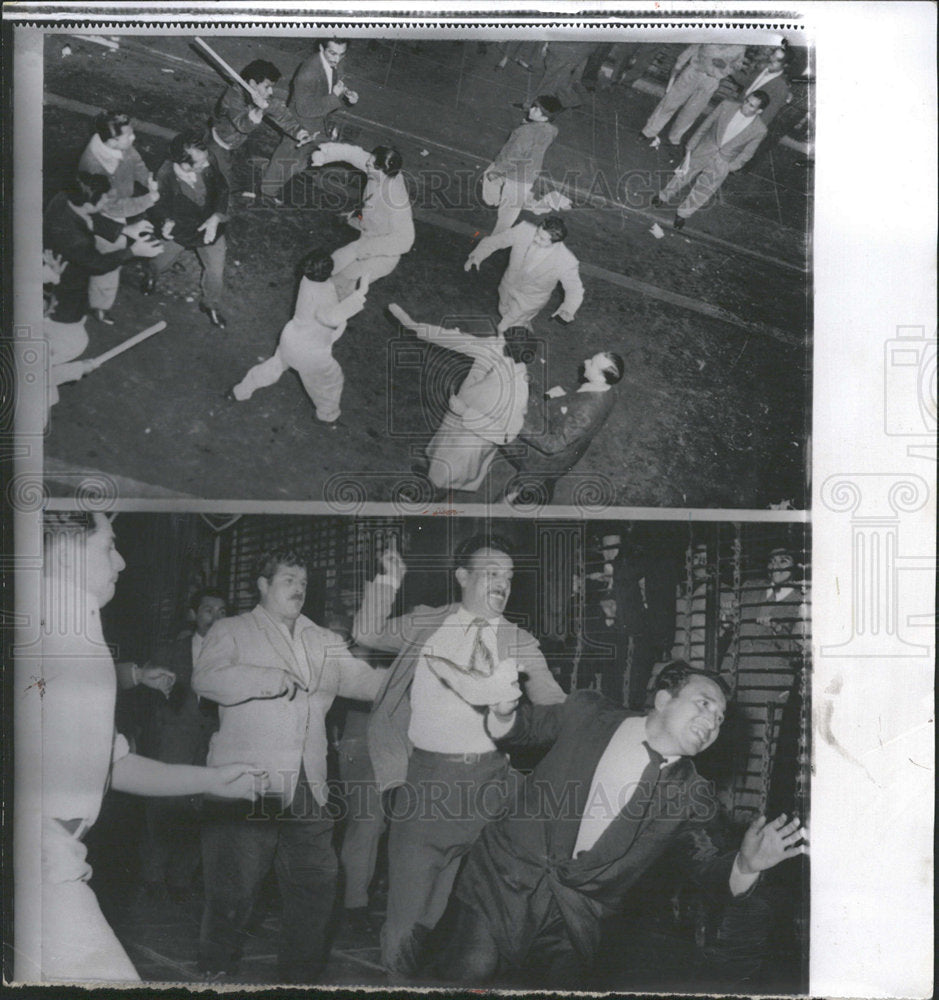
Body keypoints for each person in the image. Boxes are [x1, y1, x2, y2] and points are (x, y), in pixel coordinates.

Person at [439, 661, 807, 987]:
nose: (712, 722)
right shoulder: (589, 713)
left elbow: (706, 864)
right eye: (704, 704)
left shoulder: (693, 797)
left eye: (720, 719)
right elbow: (526, 729)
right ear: (663, 700)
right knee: (472, 968)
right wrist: (503, 711)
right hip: (505, 875)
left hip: (575, 915)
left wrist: (746, 864)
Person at [38, 512, 265, 983]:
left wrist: (213, 779)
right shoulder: (46, 636)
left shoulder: (78, 634)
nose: (121, 562)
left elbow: (112, 764)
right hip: (39, 861)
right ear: (64, 554)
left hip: (55, 856)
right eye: (108, 547)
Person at [352, 535, 566, 976]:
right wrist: (389, 579)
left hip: (491, 787)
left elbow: (553, 701)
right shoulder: (428, 623)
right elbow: (366, 633)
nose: (503, 583)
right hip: (428, 785)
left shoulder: (518, 639)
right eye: (492, 572)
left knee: (478, 919)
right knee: (412, 920)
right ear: (463, 576)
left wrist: (600, 722)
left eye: (509, 576)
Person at [191, 548, 382, 983]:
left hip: (308, 783)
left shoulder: (322, 639)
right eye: (288, 580)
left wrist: (419, 678)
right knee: (234, 886)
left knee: (317, 881)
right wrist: (266, 679)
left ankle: (299, 976)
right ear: (263, 585)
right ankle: (214, 967)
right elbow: (206, 678)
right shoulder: (232, 629)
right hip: (248, 781)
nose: (299, 589)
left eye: (304, 582)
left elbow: (363, 681)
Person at [42, 172, 162, 420]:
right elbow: (96, 263)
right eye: (105, 198)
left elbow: (90, 219)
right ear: (88, 202)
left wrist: (125, 229)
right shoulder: (70, 237)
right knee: (73, 339)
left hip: (58, 275)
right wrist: (133, 251)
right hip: (62, 286)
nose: (109, 201)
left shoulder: (66, 199)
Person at [135, 588, 228, 902]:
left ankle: (182, 878)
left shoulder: (233, 655)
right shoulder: (171, 651)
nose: (215, 618)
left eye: (222, 612)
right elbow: (148, 699)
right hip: (175, 736)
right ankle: (152, 876)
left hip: (213, 736)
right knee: (165, 802)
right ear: (193, 614)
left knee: (199, 805)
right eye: (208, 610)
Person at [389, 304, 532, 496]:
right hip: (459, 418)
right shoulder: (496, 349)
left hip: (473, 437)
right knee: (441, 454)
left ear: (509, 351)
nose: (495, 341)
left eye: (502, 340)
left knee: (450, 472)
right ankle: (432, 475)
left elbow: (506, 434)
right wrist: (414, 326)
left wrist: (466, 413)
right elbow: (457, 340)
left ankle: (432, 494)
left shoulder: (517, 390)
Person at [231, 251, 369, 424]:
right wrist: (360, 293)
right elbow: (332, 318)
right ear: (329, 272)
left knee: (274, 365)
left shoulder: (307, 280)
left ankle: (239, 392)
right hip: (310, 352)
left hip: (291, 338)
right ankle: (327, 417)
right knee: (330, 382)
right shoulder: (324, 296)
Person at [504, 350, 624, 505]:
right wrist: (564, 391)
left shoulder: (586, 411)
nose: (586, 361)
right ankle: (541, 488)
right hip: (569, 447)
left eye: (592, 364)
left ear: (601, 377)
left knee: (523, 483)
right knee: (542, 480)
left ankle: (510, 503)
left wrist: (517, 424)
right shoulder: (607, 389)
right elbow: (581, 391)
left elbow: (553, 445)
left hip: (547, 458)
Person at [77, 110, 161, 324]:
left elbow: (136, 161)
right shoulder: (94, 166)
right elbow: (113, 208)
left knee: (137, 239)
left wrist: (148, 179)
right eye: (129, 136)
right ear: (112, 141)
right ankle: (99, 305)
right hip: (104, 216)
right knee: (108, 262)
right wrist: (148, 200)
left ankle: (139, 265)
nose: (133, 138)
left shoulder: (118, 143)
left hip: (128, 203)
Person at [145, 130, 230, 327]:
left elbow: (222, 188)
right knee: (159, 261)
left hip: (210, 226)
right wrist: (165, 221)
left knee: (216, 271)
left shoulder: (207, 159)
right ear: (183, 164)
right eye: (200, 163)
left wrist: (217, 216)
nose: (207, 165)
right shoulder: (163, 176)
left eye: (206, 159)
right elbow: (156, 206)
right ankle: (150, 276)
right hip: (180, 228)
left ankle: (210, 304)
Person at [309, 142, 414, 300]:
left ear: (383, 170)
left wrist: (364, 249)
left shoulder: (396, 199)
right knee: (330, 265)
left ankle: (331, 310)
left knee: (341, 284)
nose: (366, 165)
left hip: (382, 254)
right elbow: (353, 154)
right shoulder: (379, 170)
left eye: (370, 165)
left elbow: (405, 240)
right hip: (367, 236)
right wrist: (325, 152)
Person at [651, 91, 770, 230]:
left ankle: (683, 213)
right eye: (746, 101)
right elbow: (705, 126)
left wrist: (731, 166)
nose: (745, 106)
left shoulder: (759, 129)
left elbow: (748, 153)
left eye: (751, 106)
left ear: (759, 111)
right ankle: (663, 196)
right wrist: (691, 146)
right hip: (703, 149)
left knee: (704, 189)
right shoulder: (726, 105)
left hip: (723, 162)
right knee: (683, 174)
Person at [259, 38, 358, 202]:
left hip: (318, 121)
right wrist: (334, 97)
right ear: (321, 48)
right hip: (300, 123)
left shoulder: (336, 59)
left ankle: (284, 181)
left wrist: (347, 93)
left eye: (341, 54)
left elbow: (336, 78)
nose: (337, 59)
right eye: (333, 53)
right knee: (286, 158)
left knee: (300, 158)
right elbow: (305, 110)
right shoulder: (308, 73)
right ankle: (267, 193)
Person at [465, 216, 584, 331]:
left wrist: (568, 309)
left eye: (542, 239)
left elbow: (574, 289)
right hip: (507, 286)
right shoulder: (523, 230)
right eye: (537, 233)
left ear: (555, 243)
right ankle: (522, 325)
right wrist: (477, 256)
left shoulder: (566, 261)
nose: (535, 239)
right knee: (504, 311)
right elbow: (496, 241)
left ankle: (511, 332)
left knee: (507, 324)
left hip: (530, 300)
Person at [208, 59, 312, 188]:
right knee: (222, 182)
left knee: (241, 173)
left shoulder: (261, 96)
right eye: (267, 87)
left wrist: (300, 133)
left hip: (238, 143)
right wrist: (259, 109)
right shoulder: (233, 96)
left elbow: (281, 115)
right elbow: (242, 125)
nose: (270, 92)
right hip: (218, 144)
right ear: (252, 83)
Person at [482, 94, 564, 234]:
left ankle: (496, 238)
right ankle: (505, 202)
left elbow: (515, 157)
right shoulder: (551, 130)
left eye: (537, 110)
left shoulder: (526, 132)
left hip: (516, 175)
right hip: (529, 172)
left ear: (545, 117)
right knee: (511, 201)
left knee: (506, 215)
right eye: (533, 107)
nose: (531, 110)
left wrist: (497, 172)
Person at [641, 43, 747, 147]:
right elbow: (693, 47)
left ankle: (675, 138)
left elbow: (737, 66)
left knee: (692, 111)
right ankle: (649, 131)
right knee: (670, 102)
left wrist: (724, 67)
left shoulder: (740, 46)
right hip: (694, 72)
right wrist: (679, 63)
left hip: (712, 80)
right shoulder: (711, 34)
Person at [733, 46, 792, 127]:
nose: (772, 60)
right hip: (736, 108)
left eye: (778, 60)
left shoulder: (781, 88)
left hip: (746, 121)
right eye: (773, 55)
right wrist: (729, 69)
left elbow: (767, 116)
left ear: (785, 65)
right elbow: (747, 82)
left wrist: (751, 129)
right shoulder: (762, 68)